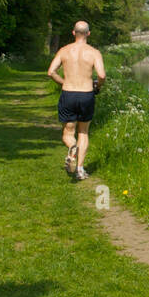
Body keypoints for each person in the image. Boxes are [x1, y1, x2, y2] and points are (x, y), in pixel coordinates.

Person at [46, 20, 106, 180]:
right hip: (86, 94)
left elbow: (51, 72)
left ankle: (72, 147)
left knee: (68, 132)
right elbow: (101, 75)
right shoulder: (94, 52)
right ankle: (80, 169)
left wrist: (63, 82)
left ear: (73, 33)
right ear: (88, 33)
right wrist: (97, 87)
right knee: (83, 132)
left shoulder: (64, 51)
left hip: (69, 93)